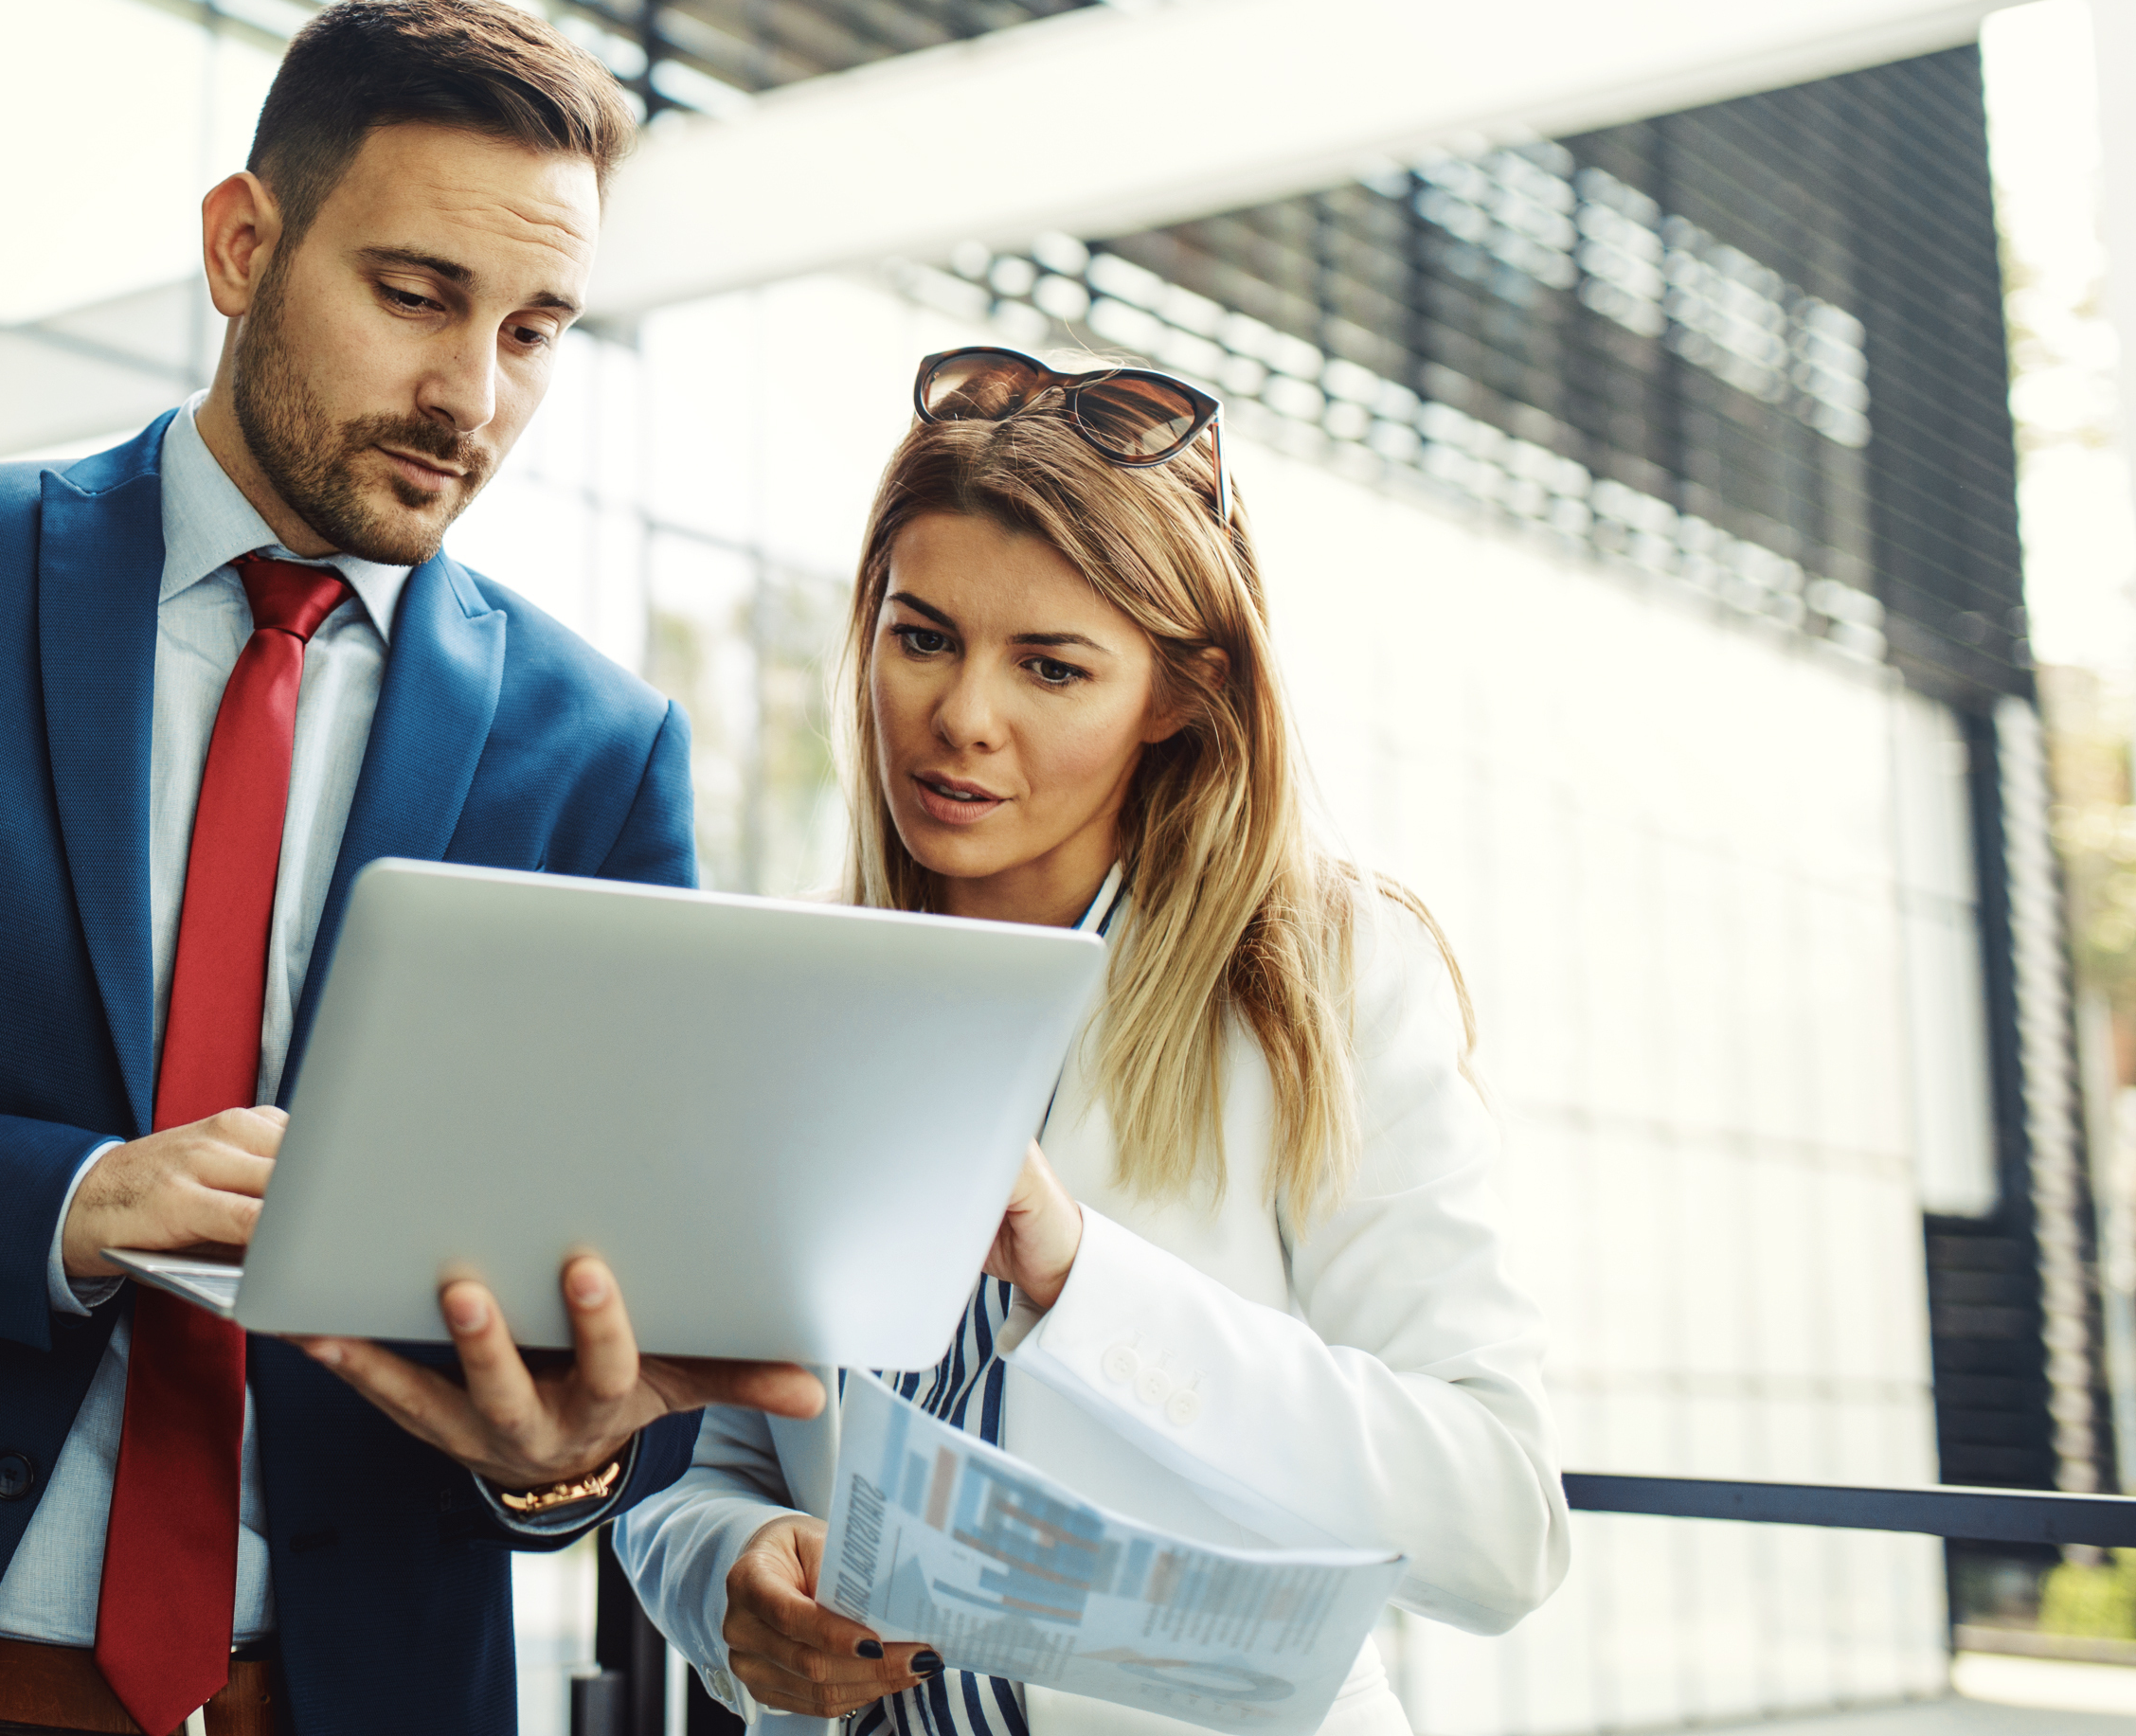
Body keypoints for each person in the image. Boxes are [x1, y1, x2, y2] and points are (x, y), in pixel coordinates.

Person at [0, 0, 819, 1736]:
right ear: (242, 245)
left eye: (534, 331)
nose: (467, 396)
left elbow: (623, 1316)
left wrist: (562, 1465)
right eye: (416, 295)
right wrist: (67, 1201)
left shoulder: (597, 754)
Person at [613, 348, 1571, 1734]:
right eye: (921, 636)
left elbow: (1500, 1526)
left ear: (1180, 695)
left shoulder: (1330, 980)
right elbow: (708, 1462)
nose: (961, 719)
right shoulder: (795, 989)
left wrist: (1079, 1279)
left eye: (1052, 668)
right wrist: (725, 1574)